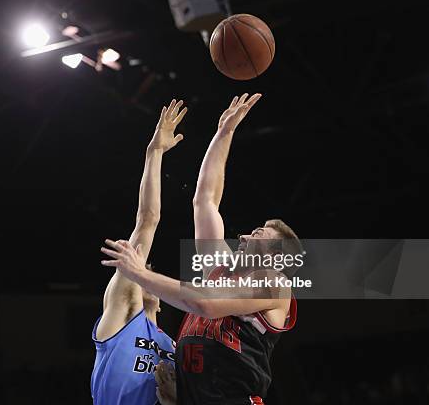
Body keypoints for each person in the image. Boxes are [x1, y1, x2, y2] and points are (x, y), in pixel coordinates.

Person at [101, 93, 301, 405]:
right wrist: (224, 134)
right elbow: (205, 199)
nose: (247, 234)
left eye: (260, 233)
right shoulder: (221, 269)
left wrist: (140, 274)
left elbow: (205, 304)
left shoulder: (274, 286)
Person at [92, 99, 187, 405]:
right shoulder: (122, 315)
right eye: (142, 271)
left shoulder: (174, 346)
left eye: (149, 272)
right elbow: (147, 221)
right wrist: (154, 153)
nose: (144, 276)